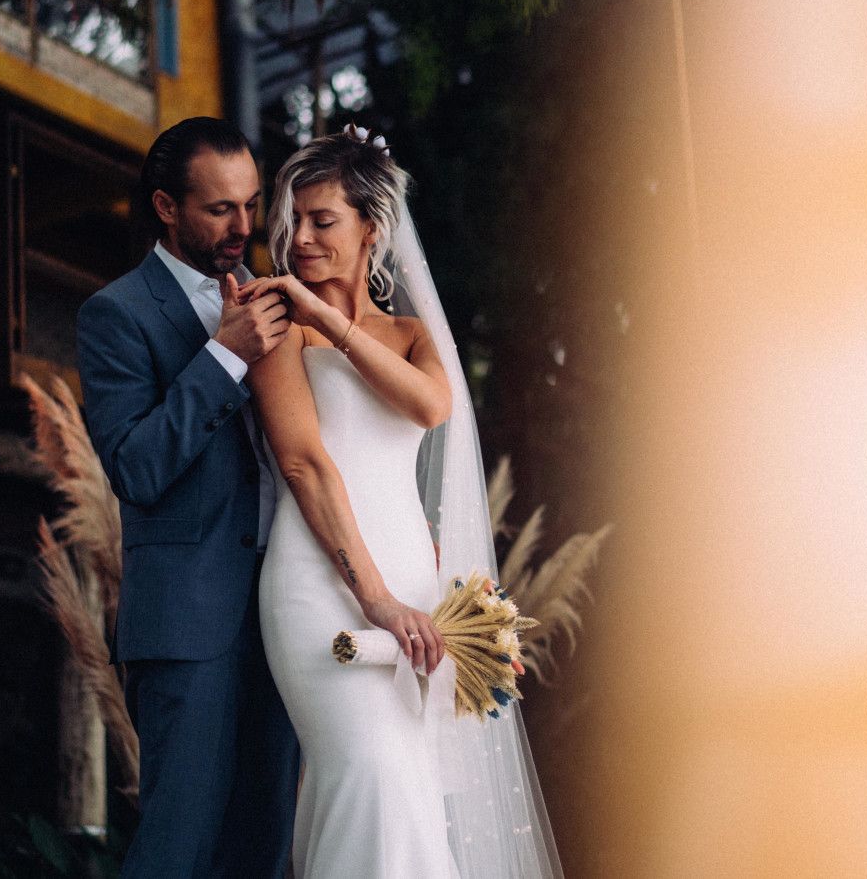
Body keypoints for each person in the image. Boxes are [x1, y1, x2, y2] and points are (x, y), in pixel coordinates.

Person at [246, 123, 565, 878]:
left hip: (416, 584)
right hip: (321, 584)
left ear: (372, 229)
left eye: (323, 221)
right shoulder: (273, 328)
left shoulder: (415, 335)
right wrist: (378, 598)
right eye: (292, 223)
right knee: (369, 776)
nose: (301, 241)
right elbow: (304, 464)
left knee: (410, 787)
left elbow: (430, 407)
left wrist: (333, 320)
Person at [75, 117, 299, 879]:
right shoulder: (116, 315)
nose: (245, 227)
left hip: (285, 616)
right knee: (179, 848)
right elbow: (135, 466)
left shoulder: (281, 299)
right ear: (166, 206)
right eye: (220, 209)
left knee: (264, 847)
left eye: (252, 204)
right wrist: (224, 355)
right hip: (188, 626)